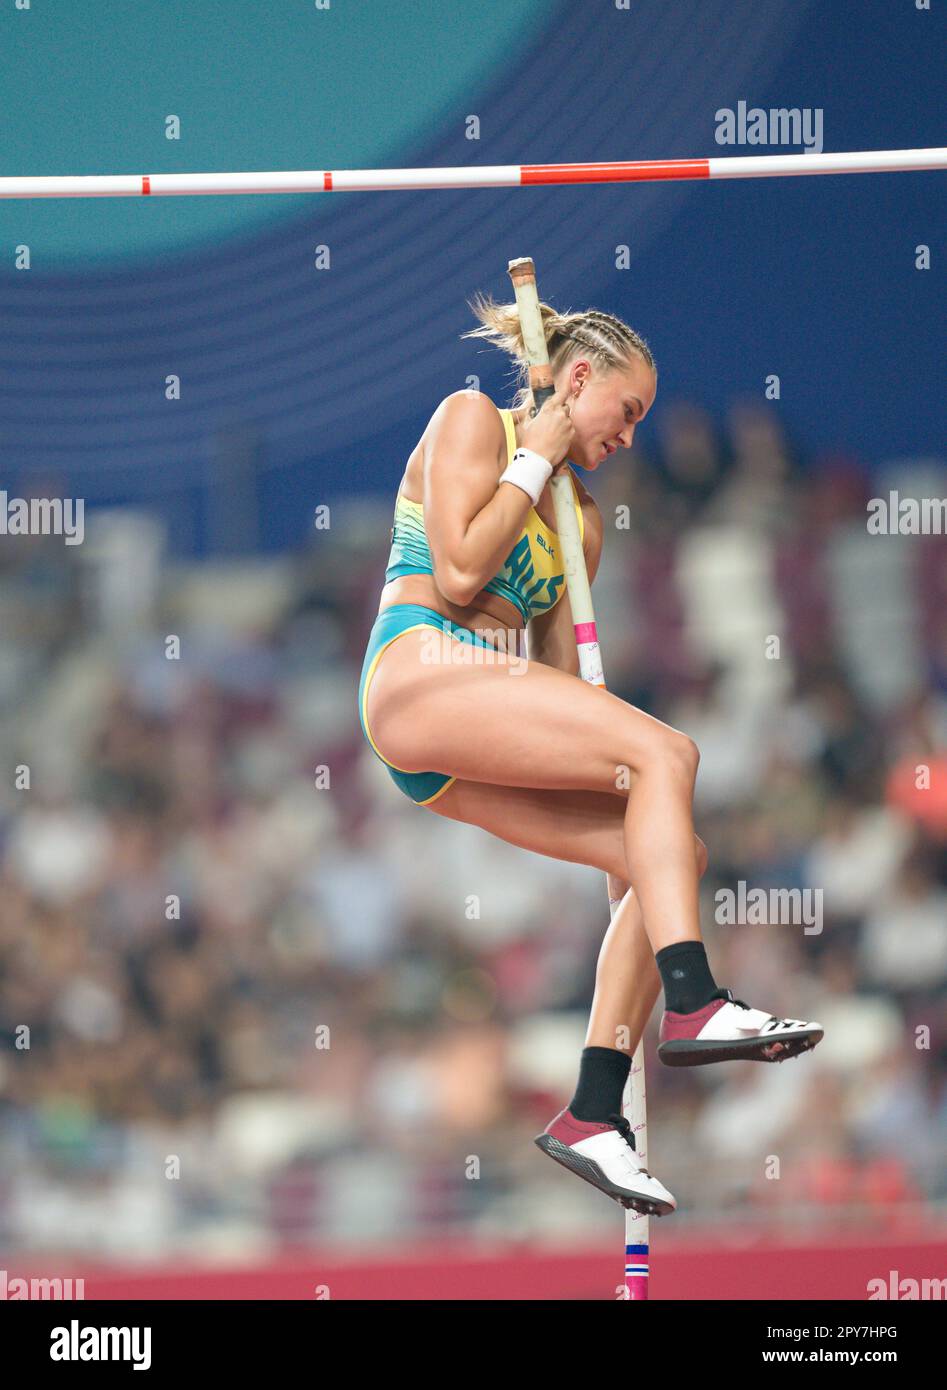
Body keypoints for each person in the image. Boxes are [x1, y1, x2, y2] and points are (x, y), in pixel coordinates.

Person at [357, 295, 823, 1214]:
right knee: (672, 753)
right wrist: (531, 456)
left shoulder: (582, 520)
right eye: (627, 411)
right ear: (577, 381)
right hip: (417, 668)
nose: (629, 436)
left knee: (668, 861)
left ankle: (593, 1108)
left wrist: (618, 785)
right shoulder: (472, 424)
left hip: (470, 727)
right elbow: (456, 572)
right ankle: (693, 1000)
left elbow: (562, 689)